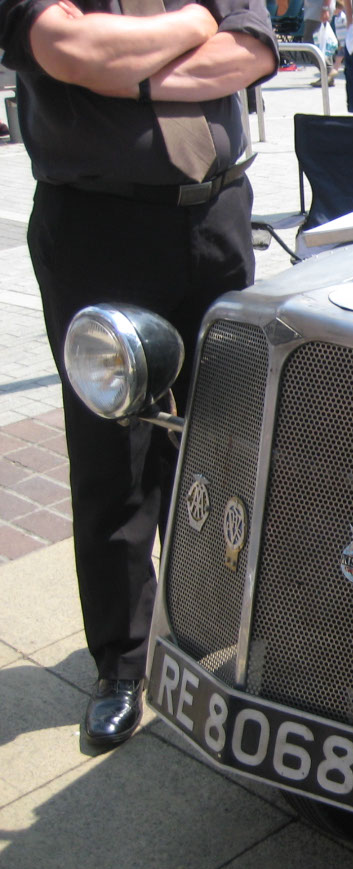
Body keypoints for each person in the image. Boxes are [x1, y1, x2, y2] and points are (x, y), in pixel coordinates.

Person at [0, 0, 277, 748]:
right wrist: (193, 22)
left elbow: (250, 51)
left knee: (231, 437)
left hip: (215, 217)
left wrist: (134, 75)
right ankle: (123, 662)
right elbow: (74, 49)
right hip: (99, 228)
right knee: (112, 454)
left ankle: (225, 626)